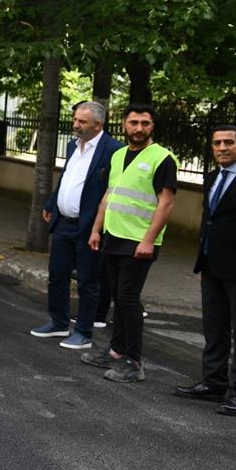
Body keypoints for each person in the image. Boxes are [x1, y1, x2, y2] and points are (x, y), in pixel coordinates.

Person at [81, 104, 177, 382]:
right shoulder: (119, 155)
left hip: (139, 240)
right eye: (133, 123)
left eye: (145, 123)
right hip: (113, 235)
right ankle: (115, 352)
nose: (139, 128)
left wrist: (149, 240)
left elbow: (166, 202)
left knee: (128, 298)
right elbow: (110, 195)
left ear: (152, 126)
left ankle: (133, 361)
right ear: (124, 125)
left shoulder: (163, 158)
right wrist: (96, 229)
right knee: (118, 297)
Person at [31, 101, 123, 349]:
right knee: (57, 275)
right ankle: (58, 322)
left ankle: (83, 332)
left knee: (87, 281)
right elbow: (66, 178)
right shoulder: (74, 145)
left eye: (82, 122)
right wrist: (51, 203)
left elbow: (111, 191)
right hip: (63, 223)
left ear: (98, 124)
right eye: (75, 120)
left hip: (89, 226)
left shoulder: (113, 150)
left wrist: (99, 225)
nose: (76, 125)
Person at [174, 125, 236, 415]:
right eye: (217, 143)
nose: (222, 147)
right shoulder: (212, 176)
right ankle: (213, 382)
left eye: (228, 142)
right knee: (214, 327)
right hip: (211, 262)